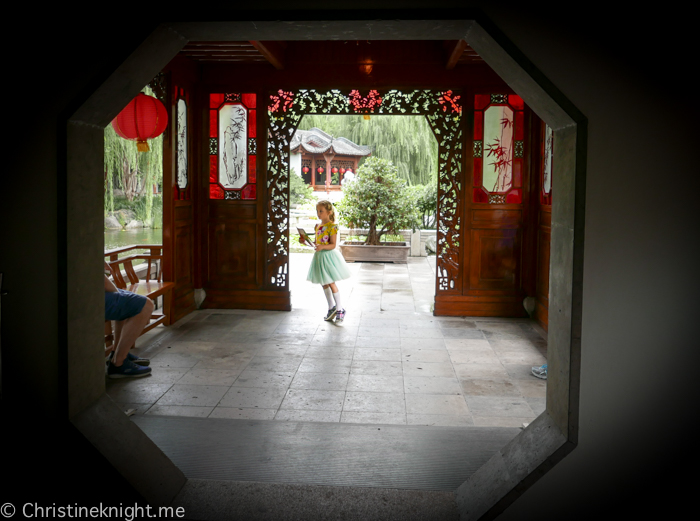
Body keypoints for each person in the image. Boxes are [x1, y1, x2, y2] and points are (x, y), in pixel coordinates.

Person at [302, 200, 351, 322]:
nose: (318, 214)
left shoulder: (332, 227)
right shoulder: (317, 226)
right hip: (319, 257)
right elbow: (317, 243)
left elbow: (333, 245)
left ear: (329, 212)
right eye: (317, 211)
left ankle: (340, 309)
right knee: (324, 283)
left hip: (328, 257)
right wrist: (305, 241)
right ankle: (331, 307)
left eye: (321, 211)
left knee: (330, 281)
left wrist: (322, 247)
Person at [104, 261, 153, 378]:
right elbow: (109, 287)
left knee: (127, 302)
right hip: (89, 296)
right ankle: (119, 363)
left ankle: (116, 352)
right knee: (146, 305)